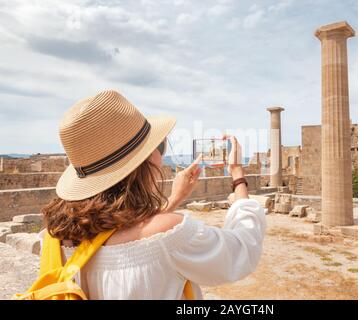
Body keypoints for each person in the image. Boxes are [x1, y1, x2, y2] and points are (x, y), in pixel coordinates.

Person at [39, 89, 266, 299]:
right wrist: (238, 175)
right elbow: (243, 250)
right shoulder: (168, 236)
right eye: (158, 148)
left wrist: (174, 199)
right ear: (144, 161)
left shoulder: (55, 235)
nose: (160, 156)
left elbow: (117, 233)